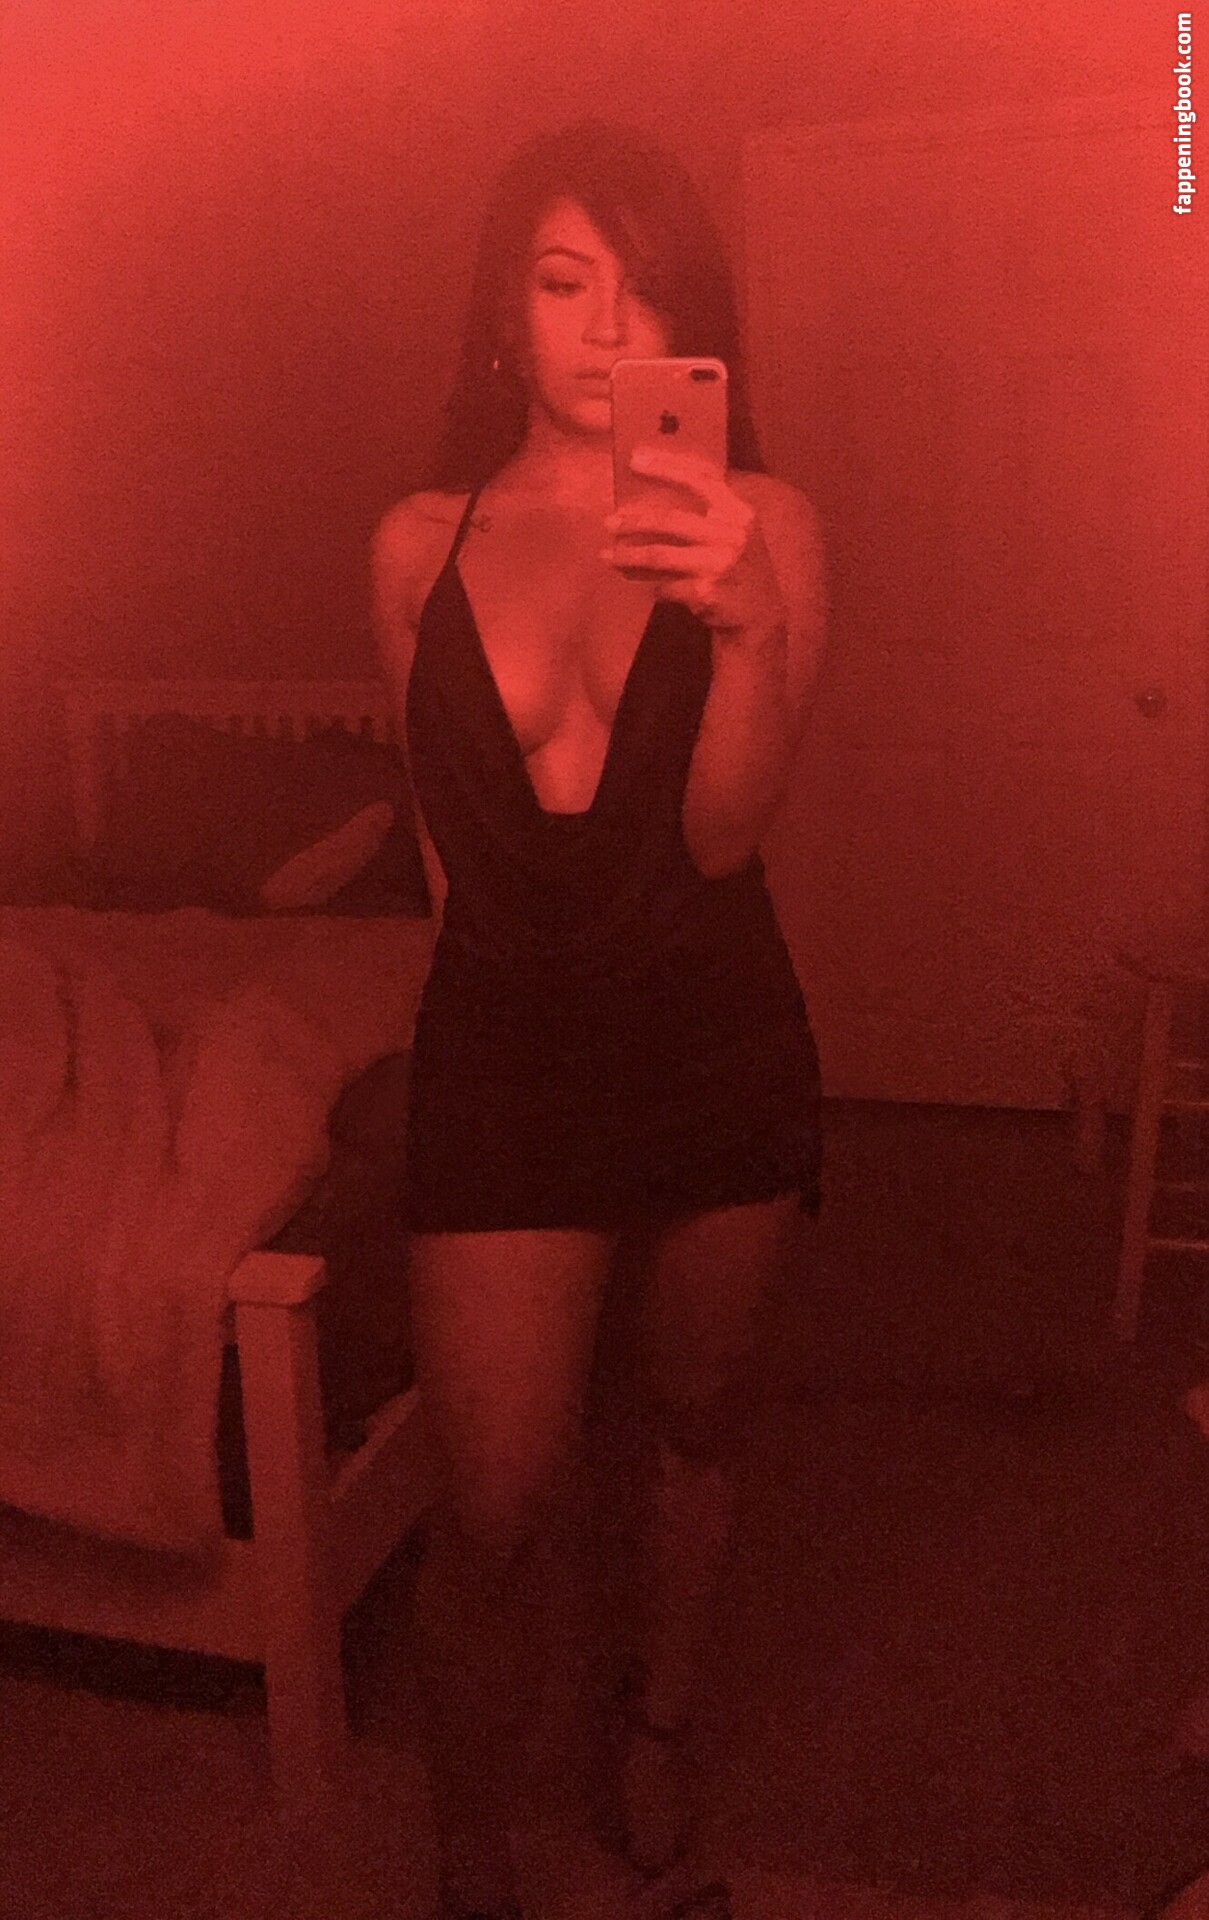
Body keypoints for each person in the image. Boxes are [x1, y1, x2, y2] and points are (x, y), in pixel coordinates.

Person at [372, 119, 825, 1920]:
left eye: (648, 293)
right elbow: (441, 846)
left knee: (695, 1422)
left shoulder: (763, 521)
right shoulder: (414, 546)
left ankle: (656, 1724)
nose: (607, 327)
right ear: (505, 304)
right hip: (505, 1053)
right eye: (567, 282)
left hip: (713, 1033)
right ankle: (472, 1838)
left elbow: (719, 837)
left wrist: (752, 629)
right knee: (492, 1503)